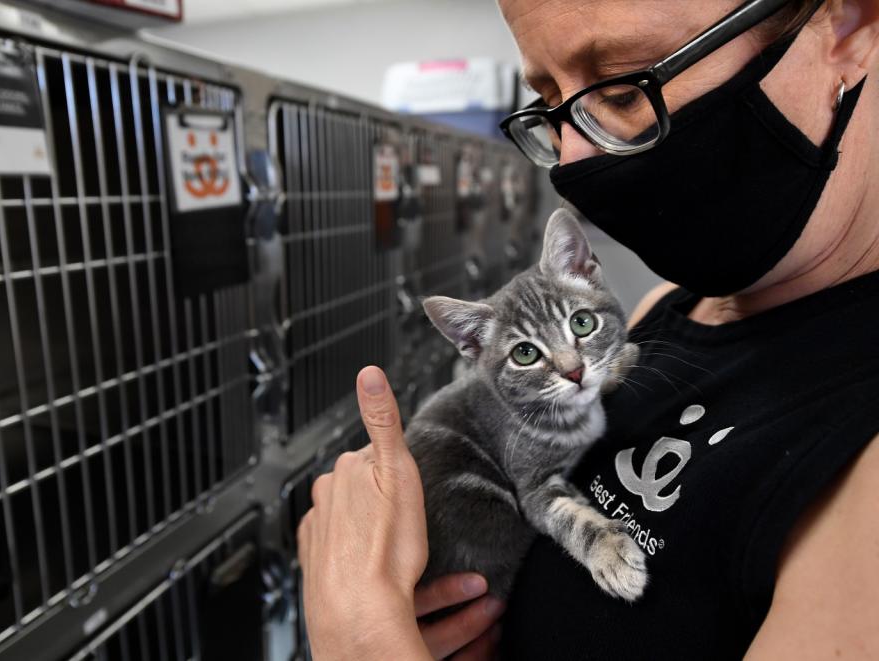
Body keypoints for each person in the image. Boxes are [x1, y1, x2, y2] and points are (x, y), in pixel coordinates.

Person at [296, 0, 879, 658]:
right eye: (549, 103)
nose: (571, 163)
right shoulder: (663, 313)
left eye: (627, 83)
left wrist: (362, 637)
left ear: (849, 24)